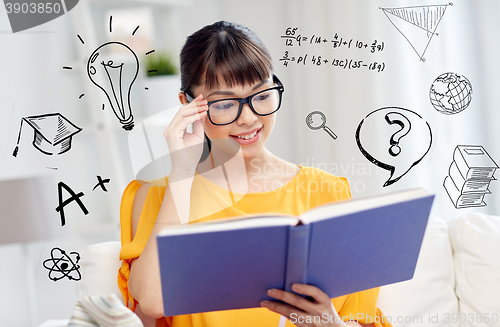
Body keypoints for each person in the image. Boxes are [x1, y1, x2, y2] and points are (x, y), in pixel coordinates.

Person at [118, 21, 392, 327]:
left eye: (261, 96)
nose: (248, 119)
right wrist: (182, 169)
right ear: (187, 105)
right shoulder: (157, 195)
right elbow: (153, 302)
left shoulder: (327, 190)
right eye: (224, 104)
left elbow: (360, 316)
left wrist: (329, 322)